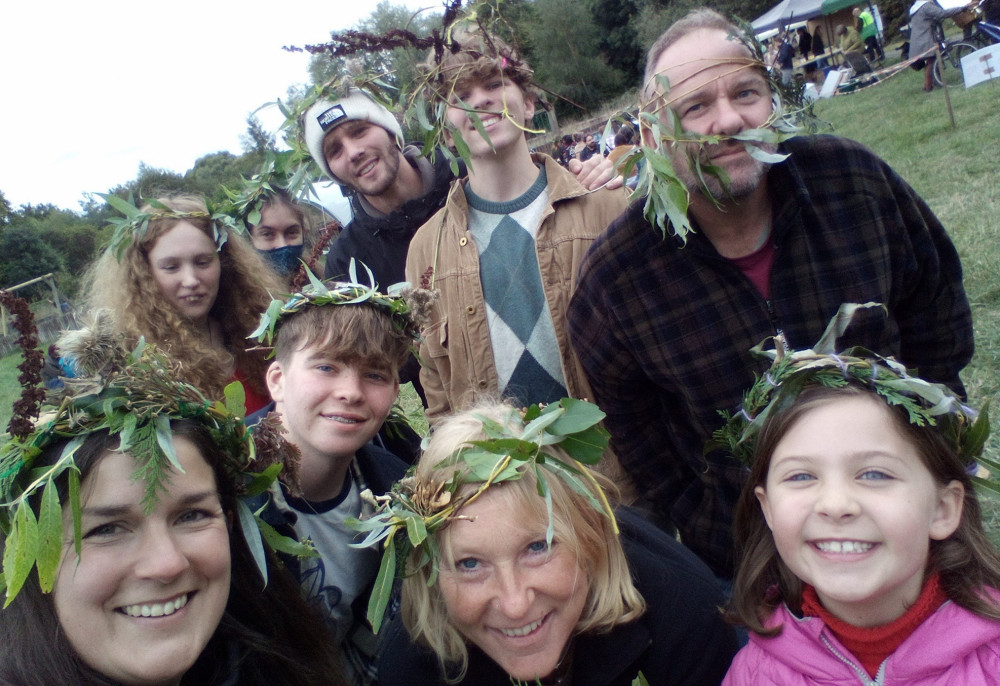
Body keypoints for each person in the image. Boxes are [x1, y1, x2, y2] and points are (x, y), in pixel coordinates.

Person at [567, 8, 973, 581]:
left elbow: (937, 314)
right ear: (655, 135)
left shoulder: (853, 182)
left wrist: (928, 457)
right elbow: (637, 432)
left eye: (746, 93)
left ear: (772, 101)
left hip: (906, 528)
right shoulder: (618, 279)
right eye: (696, 106)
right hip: (754, 564)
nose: (728, 120)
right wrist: (717, 523)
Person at [0, 312, 344, 686]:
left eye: (192, 515)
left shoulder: (279, 663)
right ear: (32, 550)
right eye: (107, 528)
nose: (165, 564)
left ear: (230, 523)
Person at [369, 399, 738, 685]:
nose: (515, 605)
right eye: (470, 564)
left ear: (589, 534)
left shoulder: (686, 621)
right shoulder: (414, 668)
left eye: (537, 547)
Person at [719, 349, 1000, 684]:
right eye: (800, 476)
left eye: (874, 474)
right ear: (768, 509)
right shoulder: (754, 675)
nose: (836, 504)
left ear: (943, 508)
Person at [403, 26, 629, 426]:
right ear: (446, 130)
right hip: (502, 482)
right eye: (460, 96)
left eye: (494, 82)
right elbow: (438, 396)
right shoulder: (426, 249)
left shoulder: (607, 206)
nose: (481, 100)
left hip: (611, 476)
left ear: (528, 103)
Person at [248, 276, 420, 686]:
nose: (351, 392)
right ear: (277, 380)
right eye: (326, 366)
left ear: (396, 390)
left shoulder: (398, 487)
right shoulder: (222, 495)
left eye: (375, 375)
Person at [80, 194, 282, 413]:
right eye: (171, 267)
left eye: (203, 262)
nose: (191, 280)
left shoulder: (261, 335)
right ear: (144, 273)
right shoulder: (133, 369)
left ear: (225, 263)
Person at [909, 0, 971, 91]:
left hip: (920, 39)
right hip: (925, 39)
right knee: (931, 61)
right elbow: (942, 13)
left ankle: (932, 83)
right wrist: (960, 9)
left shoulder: (917, 7)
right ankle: (928, 87)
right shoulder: (926, 6)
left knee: (931, 61)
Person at [248, 188, 307, 281]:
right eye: (267, 234)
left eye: (292, 232)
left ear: (303, 233)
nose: (282, 245)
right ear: (249, 239)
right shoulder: (234, 293)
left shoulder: (325, 285)